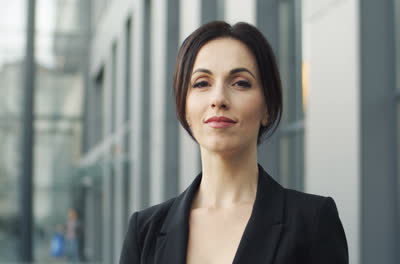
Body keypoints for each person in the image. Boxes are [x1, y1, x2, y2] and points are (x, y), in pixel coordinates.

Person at [120, 21, 348, 264]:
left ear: (267, 108)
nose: (218, 98)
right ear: (184, 107)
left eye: (240, 83)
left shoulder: (312, 222)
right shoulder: (144, 232)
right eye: (202, 83)